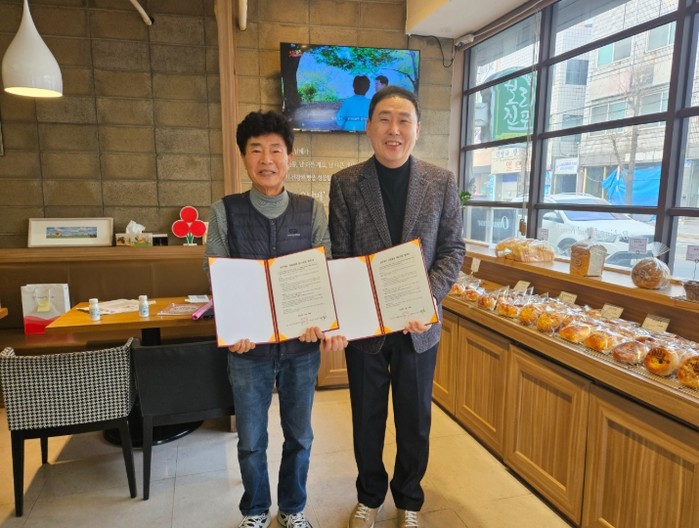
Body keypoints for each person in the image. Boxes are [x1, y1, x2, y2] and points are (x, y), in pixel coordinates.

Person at [328, 86, 466, 528]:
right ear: (368, 127)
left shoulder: (441, 182)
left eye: (404, 120)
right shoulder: (346, 183)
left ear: (417, 129)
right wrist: (350, 312)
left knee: (414, 419)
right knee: (366, 418)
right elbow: (341, 255)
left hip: (417, 327)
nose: (394, 129)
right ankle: (369, 496)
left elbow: (453, 250)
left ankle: (409, 501)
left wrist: (428, 297)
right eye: (384, 119)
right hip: (365, 329)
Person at [204, 110, 347, 528]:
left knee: (300, 436)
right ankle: (254, 511)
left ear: (289, 157)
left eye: (276, 150)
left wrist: (320, 319)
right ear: (243, 158)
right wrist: (234, 328)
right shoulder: (224, 211)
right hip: (248, 351)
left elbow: (325, 270)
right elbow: (216, 277)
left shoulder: (311, 210)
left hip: (301, 348)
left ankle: (292, 508)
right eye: (256, 150)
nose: (266, 159)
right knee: (251, 440)